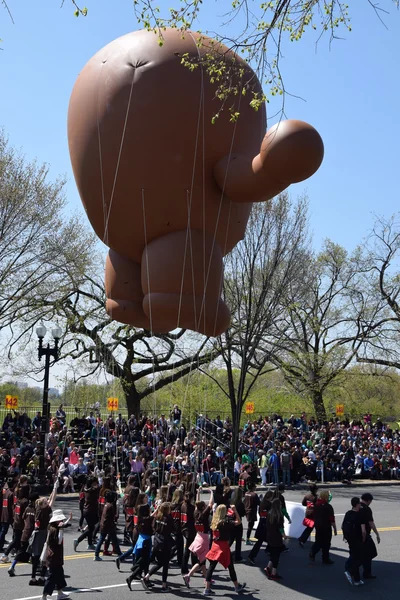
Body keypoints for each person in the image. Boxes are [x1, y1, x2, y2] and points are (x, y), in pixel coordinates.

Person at [203, 504, 246, 596]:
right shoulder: (225, 522)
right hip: (223, 546)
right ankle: (237, 586)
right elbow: (238, 521)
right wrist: (235, 510)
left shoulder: (213, 520)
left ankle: (207, 588)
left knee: (211, 567)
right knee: (231, 567)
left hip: (215, 545)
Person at [183, 489, 214, 587]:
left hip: (198, 537)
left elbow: (197, 504)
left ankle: (207, 578)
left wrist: (198, 493)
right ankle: (188, 575)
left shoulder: (196, 514)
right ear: (203, 507)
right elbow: (211, 503)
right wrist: (211, 492)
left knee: (203, 562)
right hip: (204, 539)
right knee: (201, 562)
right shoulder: (204, 515)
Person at [141, 502, 174, 591]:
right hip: (165, 542)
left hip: (156, 540)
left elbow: (153, 527)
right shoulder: (169, 518)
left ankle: (147, 576)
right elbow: (172, 529)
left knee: (160, 563)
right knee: (165, 564)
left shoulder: (157, 517)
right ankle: (164, 585)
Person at [41, 509, 72, 600]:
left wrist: (68, 520)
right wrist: (61, 529)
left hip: (56, 556)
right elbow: (59, 541)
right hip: (54, 556)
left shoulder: (53, 527)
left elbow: (62, 526)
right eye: (60, 520)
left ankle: (60, 593)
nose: (62, 521)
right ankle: (44, 596)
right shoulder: (54, 530)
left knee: (59, 574)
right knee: (52, 577)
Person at [342, 497, 366, 586]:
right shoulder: (360, 515)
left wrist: (345, 536)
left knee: (354, 556)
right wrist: (363, 539)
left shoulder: (348, 513)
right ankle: (350, 571)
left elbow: (343, 526)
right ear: (357, 505)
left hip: (350, 539)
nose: (360, 505)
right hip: (358, 540)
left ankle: (357, 579)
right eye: (359, 503)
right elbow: (363, 531)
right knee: (360, 559)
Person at [309, 490, 337, 565]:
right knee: (326, 543)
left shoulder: (316, 505)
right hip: (326, 527)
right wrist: (335, 529)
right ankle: (325, 558)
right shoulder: (328, 507)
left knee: (318, 541)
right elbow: (332, 519)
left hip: (318, 526)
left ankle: (313, 551)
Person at [94, 491, 122, 561]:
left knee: (103, 539)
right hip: (109, 526)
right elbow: (114, 515)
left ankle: (96, 554)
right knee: (113, 540)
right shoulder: (111, 506)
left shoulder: (106, 504)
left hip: (104, 524)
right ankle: (120, 554)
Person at [264, 497, 287, 580]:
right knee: (276, 555)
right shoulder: (279, 515)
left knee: (273, 552)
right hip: (276, 537)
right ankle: (273, 573)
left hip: (270, 536)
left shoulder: (269, 513)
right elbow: (280, 527)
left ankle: (268, 567)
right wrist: (284, 535)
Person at [248, 490, 273, 564]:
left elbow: (261, 513)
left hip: (262, 524)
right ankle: (272, 558)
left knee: (262, 542)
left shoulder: (262, 503)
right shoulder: (268, 504)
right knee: (266, 541)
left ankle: (270, 555)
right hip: (265, 526)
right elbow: (268, 515)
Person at [359, 492, 380, 579]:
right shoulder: (367, 509)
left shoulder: (357, 506)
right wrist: (377, 534)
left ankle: (356, 568)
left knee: (360, 553)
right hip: (365, 534)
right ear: (368, 500)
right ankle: (366, 572)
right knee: (371, 553)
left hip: (356, 534)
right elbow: (370, 522)